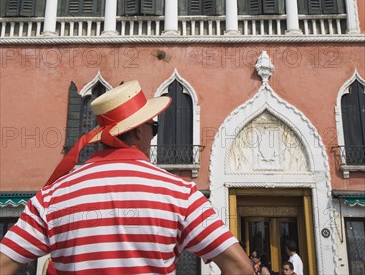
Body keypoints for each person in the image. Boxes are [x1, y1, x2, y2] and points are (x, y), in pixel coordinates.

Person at [0, 80, 254, 275]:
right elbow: (239, 268)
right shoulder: (181, 193)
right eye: (154, 128)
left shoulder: (52, 197)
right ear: (142, 130)